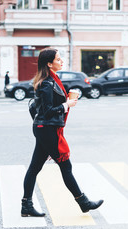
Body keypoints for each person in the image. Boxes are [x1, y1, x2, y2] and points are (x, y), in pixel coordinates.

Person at [21, 48, 104, 217]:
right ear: (49, 64)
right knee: (66, 166)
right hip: (47, 130)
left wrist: (67, 101)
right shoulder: (46, 83)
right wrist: (68, 105)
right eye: (58, 59)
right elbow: (48, 110)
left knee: (34, 168)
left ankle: (26, 206)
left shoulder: (52, 80)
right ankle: (83, 202)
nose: (61, 61)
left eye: (60, 58)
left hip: (46, 129)